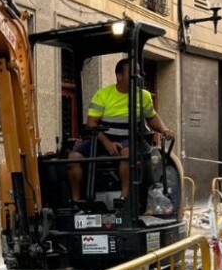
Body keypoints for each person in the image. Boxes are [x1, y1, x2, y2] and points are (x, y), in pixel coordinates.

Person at [67, 58, 175, 202]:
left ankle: (124, 199)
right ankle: (76, 202)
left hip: (128, 140)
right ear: (119, 76)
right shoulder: (102, 95)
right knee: (72, 157)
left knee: (126, 153)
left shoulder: (144, 96)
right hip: (101, 139)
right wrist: (107, 143)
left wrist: (164, 129)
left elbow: (152, 117)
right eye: (133, 73)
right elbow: (91, 124)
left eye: (138, 73)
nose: (138, 77)